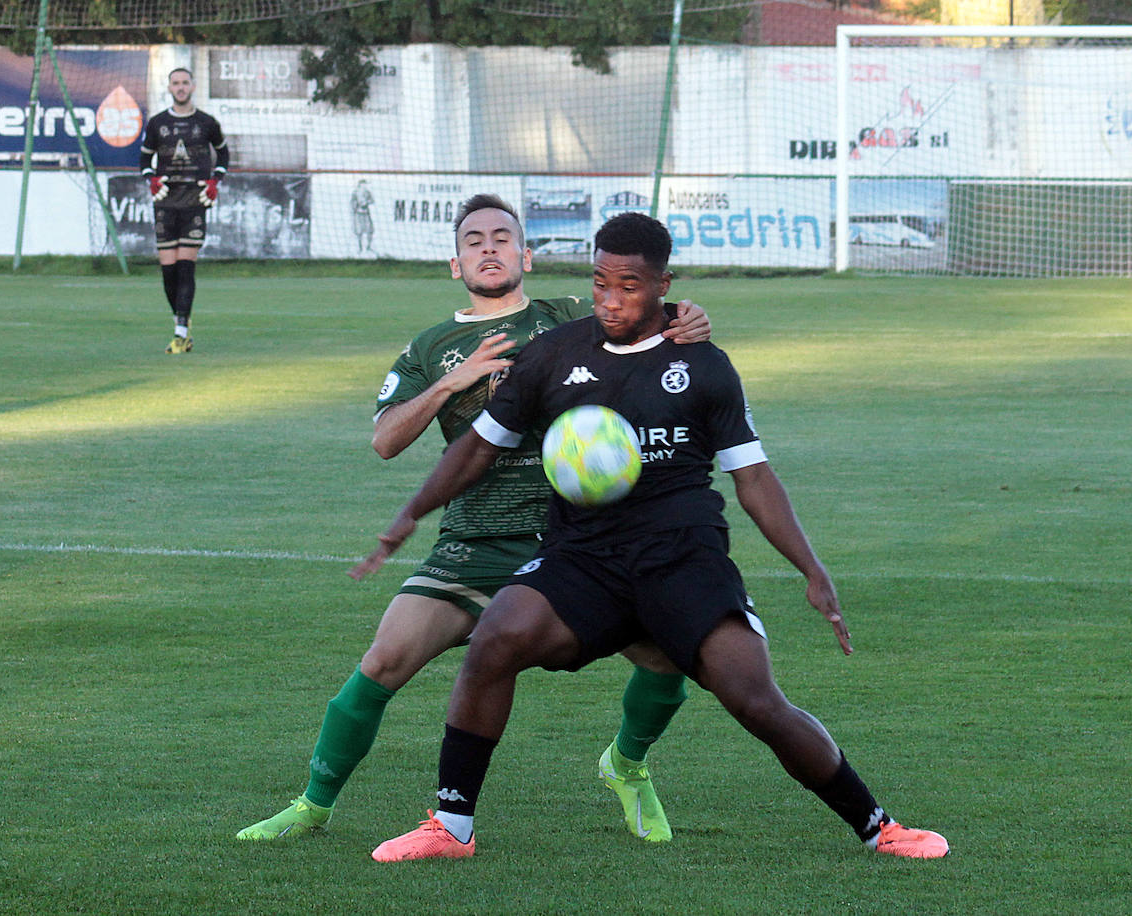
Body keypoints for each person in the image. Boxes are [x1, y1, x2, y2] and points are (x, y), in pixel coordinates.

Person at [352, 211, 950, 862]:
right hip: (583, 557)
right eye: (600, 283)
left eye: (629, 286)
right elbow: (476, 449)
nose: (611, 300)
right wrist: (410, 514)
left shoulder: (703, 364)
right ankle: (453, 826)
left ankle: (879, 826)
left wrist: (811, 569)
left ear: (664, 285)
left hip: (683, 558)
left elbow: (753, 478)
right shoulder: (552, 356)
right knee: (495, 639)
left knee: (754, 699)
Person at [235, 195, 713, 845]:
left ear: (526, 254)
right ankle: (313, 805)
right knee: (383, 661)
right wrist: (450, 386)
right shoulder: (432, 347)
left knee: (668, 658)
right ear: (455, 262)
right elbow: (385, 440)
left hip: (580, 542)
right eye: (474, 240)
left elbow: (661, 322)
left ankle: (625, 765)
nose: (488, 247)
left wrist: (689, 321)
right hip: (475, 543)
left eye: (501, 237)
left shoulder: (569, 317)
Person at [139, 67, 229, 355]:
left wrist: (216, 179)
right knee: (168, 270)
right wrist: (150, 178)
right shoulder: (157, 123)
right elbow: (143, 158)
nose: (180, 87)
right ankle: (181, 317)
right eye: (175, 83)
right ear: (169, 88)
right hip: (166, 200)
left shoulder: (206, 122)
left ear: (193, 86)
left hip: (195, 199)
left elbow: (223, 152)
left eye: (185, 83)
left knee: (186, 265)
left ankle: (180, 334)